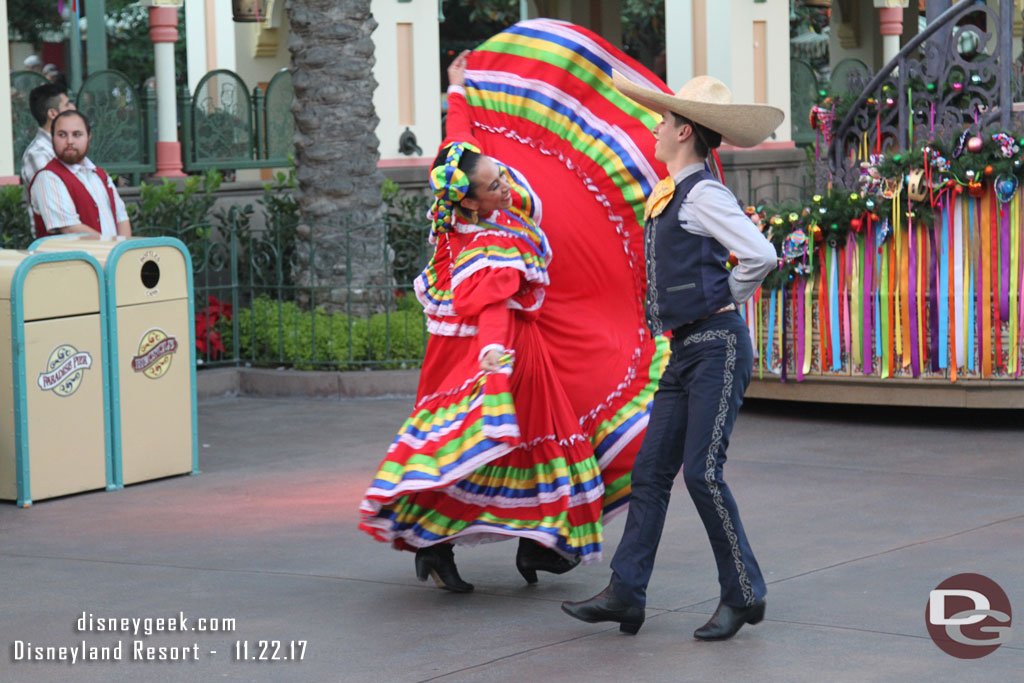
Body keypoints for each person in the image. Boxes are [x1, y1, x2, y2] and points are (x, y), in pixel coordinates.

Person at [358, 51, 603, 591]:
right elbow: (493, 308)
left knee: (476, 447)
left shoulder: (455, 189)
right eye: (494, 187)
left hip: (460, 352)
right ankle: (527, 546)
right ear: (468, 203)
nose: (504, 188)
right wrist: (494, 363)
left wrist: (457, 87)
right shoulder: (490, 244)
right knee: (518, 440)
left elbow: (459, 138)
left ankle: (474, 547)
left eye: (498, 177)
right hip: (498, 354)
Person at [561, 73, 783, 640]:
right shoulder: (677, 191)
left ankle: (744, 592)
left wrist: (720, 297)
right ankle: (626, 594)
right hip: (686, 351)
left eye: (662, 121)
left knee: (703, 474)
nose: (655, 128)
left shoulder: (704, 192)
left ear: (684, 131)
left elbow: (761, 255)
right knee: (651, 472)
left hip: (718, 346)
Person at [29, 110, 132, 238]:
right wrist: (113, 247)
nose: (69, 141)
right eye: (62, 135)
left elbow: (121, 218)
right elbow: (70, 229)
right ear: (52, 138)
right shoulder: (47, 178)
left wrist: (122, 250)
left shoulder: (100, 175)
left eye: (77, 134)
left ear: (89, 137)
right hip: (72, 258)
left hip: (111, 255)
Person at [22, 83, 77, 222]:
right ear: (52, 113)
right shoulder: (37, 154)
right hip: (56, 239)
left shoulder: (70, 147)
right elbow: (56, 208)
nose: (73, 108)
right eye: (67, 104)